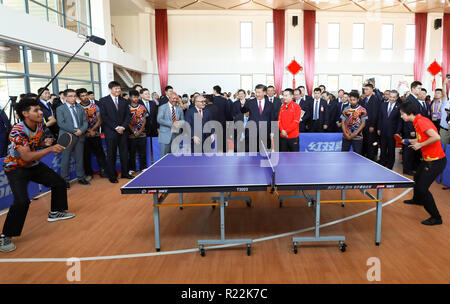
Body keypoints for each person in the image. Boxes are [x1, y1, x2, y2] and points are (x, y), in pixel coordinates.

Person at [0, 97, 73, 253]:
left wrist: (43, 143)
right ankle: (5, 236)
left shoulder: (39, 125)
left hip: (33, 165)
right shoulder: (17, 130)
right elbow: (25, 156)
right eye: (36, 110)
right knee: (22, 202)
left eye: (40, 109)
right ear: (25, 114)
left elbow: (34, 143)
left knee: (59, 182)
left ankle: (55, 212)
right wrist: (50, 149)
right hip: (16, 168)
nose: (41, 112)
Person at [399, 102, 446, 226]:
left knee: (422, 188)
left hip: (435, 161)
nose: (401, 117)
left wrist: (420, 145)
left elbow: (436, 137)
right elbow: (422, 138)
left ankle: (436, 217)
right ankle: (418, 200)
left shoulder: (421, 122)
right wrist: (407, 140)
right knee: (417, 177)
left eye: (402, 114)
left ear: (410, 113)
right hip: (428, 159)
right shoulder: (416, 121)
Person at [98, 81, 133, 183]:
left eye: (119, 88)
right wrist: (116, 127)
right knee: (111, 154)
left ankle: (125, 173)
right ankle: (112, 176)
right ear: (110, 89)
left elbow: (128, 115)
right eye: (115, 89)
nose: (118, 90)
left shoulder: (124, 101)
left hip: (123, 131)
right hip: (111, 132)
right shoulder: (103, 101)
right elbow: (104, 116)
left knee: (124, 153)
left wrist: (123, 127)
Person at [56, 89, 90, 188]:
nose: (73, 98)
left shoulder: (80, 108)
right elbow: (61, 123)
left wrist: (82, 130)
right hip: (67, 137)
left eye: (74, 96)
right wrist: (75, 131)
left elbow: (85, 122)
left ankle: (81, 178)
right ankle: (64, 180)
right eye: (70, 96)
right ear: (65, 97)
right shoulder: (60, 109)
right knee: (65, 159)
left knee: (79, 158)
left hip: (80, 136)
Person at [78, 88, 107, 180]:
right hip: (84, 135)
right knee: (86, 156)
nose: (85, 97)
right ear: (79, 97)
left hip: (95, 134)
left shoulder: (95, 106)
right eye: (82, 96)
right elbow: (77, 122)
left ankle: (103, 171)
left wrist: (93, 130)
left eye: (86, 95)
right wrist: (86, 131)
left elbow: (100, 120)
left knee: (100, 154)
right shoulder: (77, 108)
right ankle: (89, 174)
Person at [240, 84, 277, 152]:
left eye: (259, 92)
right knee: (251, 154)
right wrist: (243, 104)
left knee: (264, 155)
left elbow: (273, 119)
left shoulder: (270, 105)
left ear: (264, 92)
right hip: (251, 133)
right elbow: (243, 111)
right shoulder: (250, 102)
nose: (257, 94)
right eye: (256, 92)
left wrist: (272, 131)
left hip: (265, 134)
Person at [377, 90, 402, 169]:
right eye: (390, 96)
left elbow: (400, 121)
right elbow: (380, 118)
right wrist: (378, 128)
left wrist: (398, 132)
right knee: (383, 147)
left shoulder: (400, 106)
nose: (392, 99)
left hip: (393, 132)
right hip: (383, 130)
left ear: (397, 97)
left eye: (394, 97)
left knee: (391, 149)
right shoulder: (383, 105)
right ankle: (382, 161)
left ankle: (390, 164)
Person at [157, 91, 184, 157]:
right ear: (169, 98)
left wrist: (179, 123)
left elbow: (183, 121)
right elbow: (159, 119)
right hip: (165, 136)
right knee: (163, 157)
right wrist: (172, 123)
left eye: (176, 98)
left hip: (176, 136)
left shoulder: (179, 109)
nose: (175, 100)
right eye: (173, 98)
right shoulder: (162, 107)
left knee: (174, 157)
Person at [128, 90, 148, 173]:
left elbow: (144, 120)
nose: (135, 99)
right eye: (133, 97)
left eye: (136, 97)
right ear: (130, 97)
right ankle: (132, 168)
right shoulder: (127, 107)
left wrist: (140, 131)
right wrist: (133, 131)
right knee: (131, 153)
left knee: (142, 153)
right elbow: (127, 121)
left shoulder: (142, 107)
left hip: (142, 134)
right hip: (131, 135)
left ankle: (143, 167)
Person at [360, 83, 380, 161]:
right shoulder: (364, 99)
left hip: (370, 125)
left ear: (372, 90)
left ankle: (370, 159)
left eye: (367, 89)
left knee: (370, 143)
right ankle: (364, 158)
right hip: (364, 125)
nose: (365, 91)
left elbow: (375, 114)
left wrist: (372, 125)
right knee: (365, 142)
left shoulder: (375, 99)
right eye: (365, 89)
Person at [213, 85, 233, 152]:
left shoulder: (212, 100)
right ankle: (224, 150)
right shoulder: (224, 100)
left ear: (215, 91)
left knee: (214, 137)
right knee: (223, 137)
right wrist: (229, 121)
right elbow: (227, 111)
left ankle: (215, 150)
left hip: (213, 122)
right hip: (222, 122)